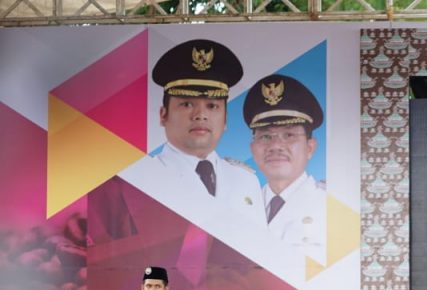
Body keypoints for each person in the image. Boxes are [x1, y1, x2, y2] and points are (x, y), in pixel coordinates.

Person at [117, 39, 267, 255]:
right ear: (163, 115)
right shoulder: (140, 179)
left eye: (212, 106)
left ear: (225, 119)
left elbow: (260, 254)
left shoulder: (246, 181)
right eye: (187, 104)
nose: (200, 115)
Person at [244, 73, 327, 270]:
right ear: (252, 148)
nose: (275, 145)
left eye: (289, 134)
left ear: (310, 147)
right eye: (265, 136)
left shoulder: (333, 205)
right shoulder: (238, 204)